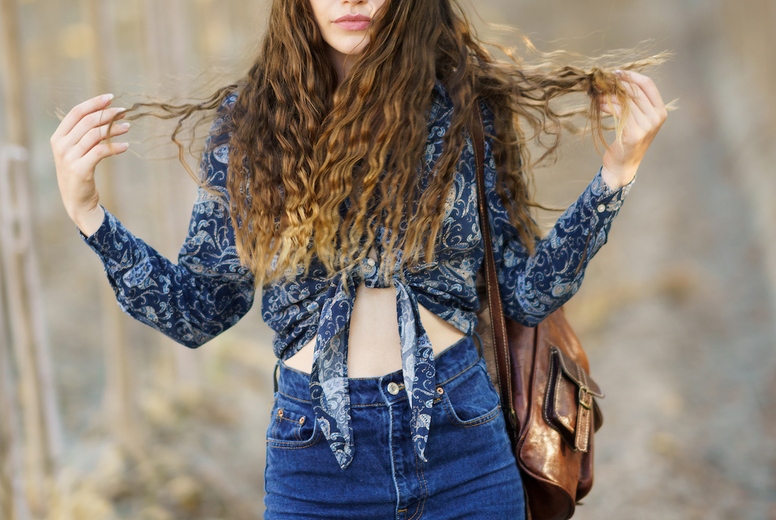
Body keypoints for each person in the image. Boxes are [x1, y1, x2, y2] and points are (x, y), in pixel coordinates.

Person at [50, 0, 667, 517]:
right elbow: (200, 312)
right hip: (316, 463)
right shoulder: (251, 126)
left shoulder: (463, 108)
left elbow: (526, 296)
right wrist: (89, 215)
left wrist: (615, 178)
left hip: (462, 444)